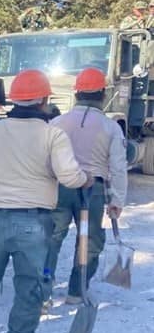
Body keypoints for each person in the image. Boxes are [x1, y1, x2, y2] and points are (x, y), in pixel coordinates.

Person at [0, 69, 91, 333]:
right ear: (44, 100)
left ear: (12, 101)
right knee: (30, 283)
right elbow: (70, 176)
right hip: (33, 220)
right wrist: (86, 179)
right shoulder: (52, 135)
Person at [43, 67, 127, 310]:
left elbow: (45, 160)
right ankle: (76, 291)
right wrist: (117, 200)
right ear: (102, 94)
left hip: (60, 186)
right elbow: (119, 168)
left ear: (76, 93)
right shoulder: (110, 127)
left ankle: (43, 291)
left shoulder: (57, 122)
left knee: (51, 238)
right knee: (88, 240)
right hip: (93, 192)